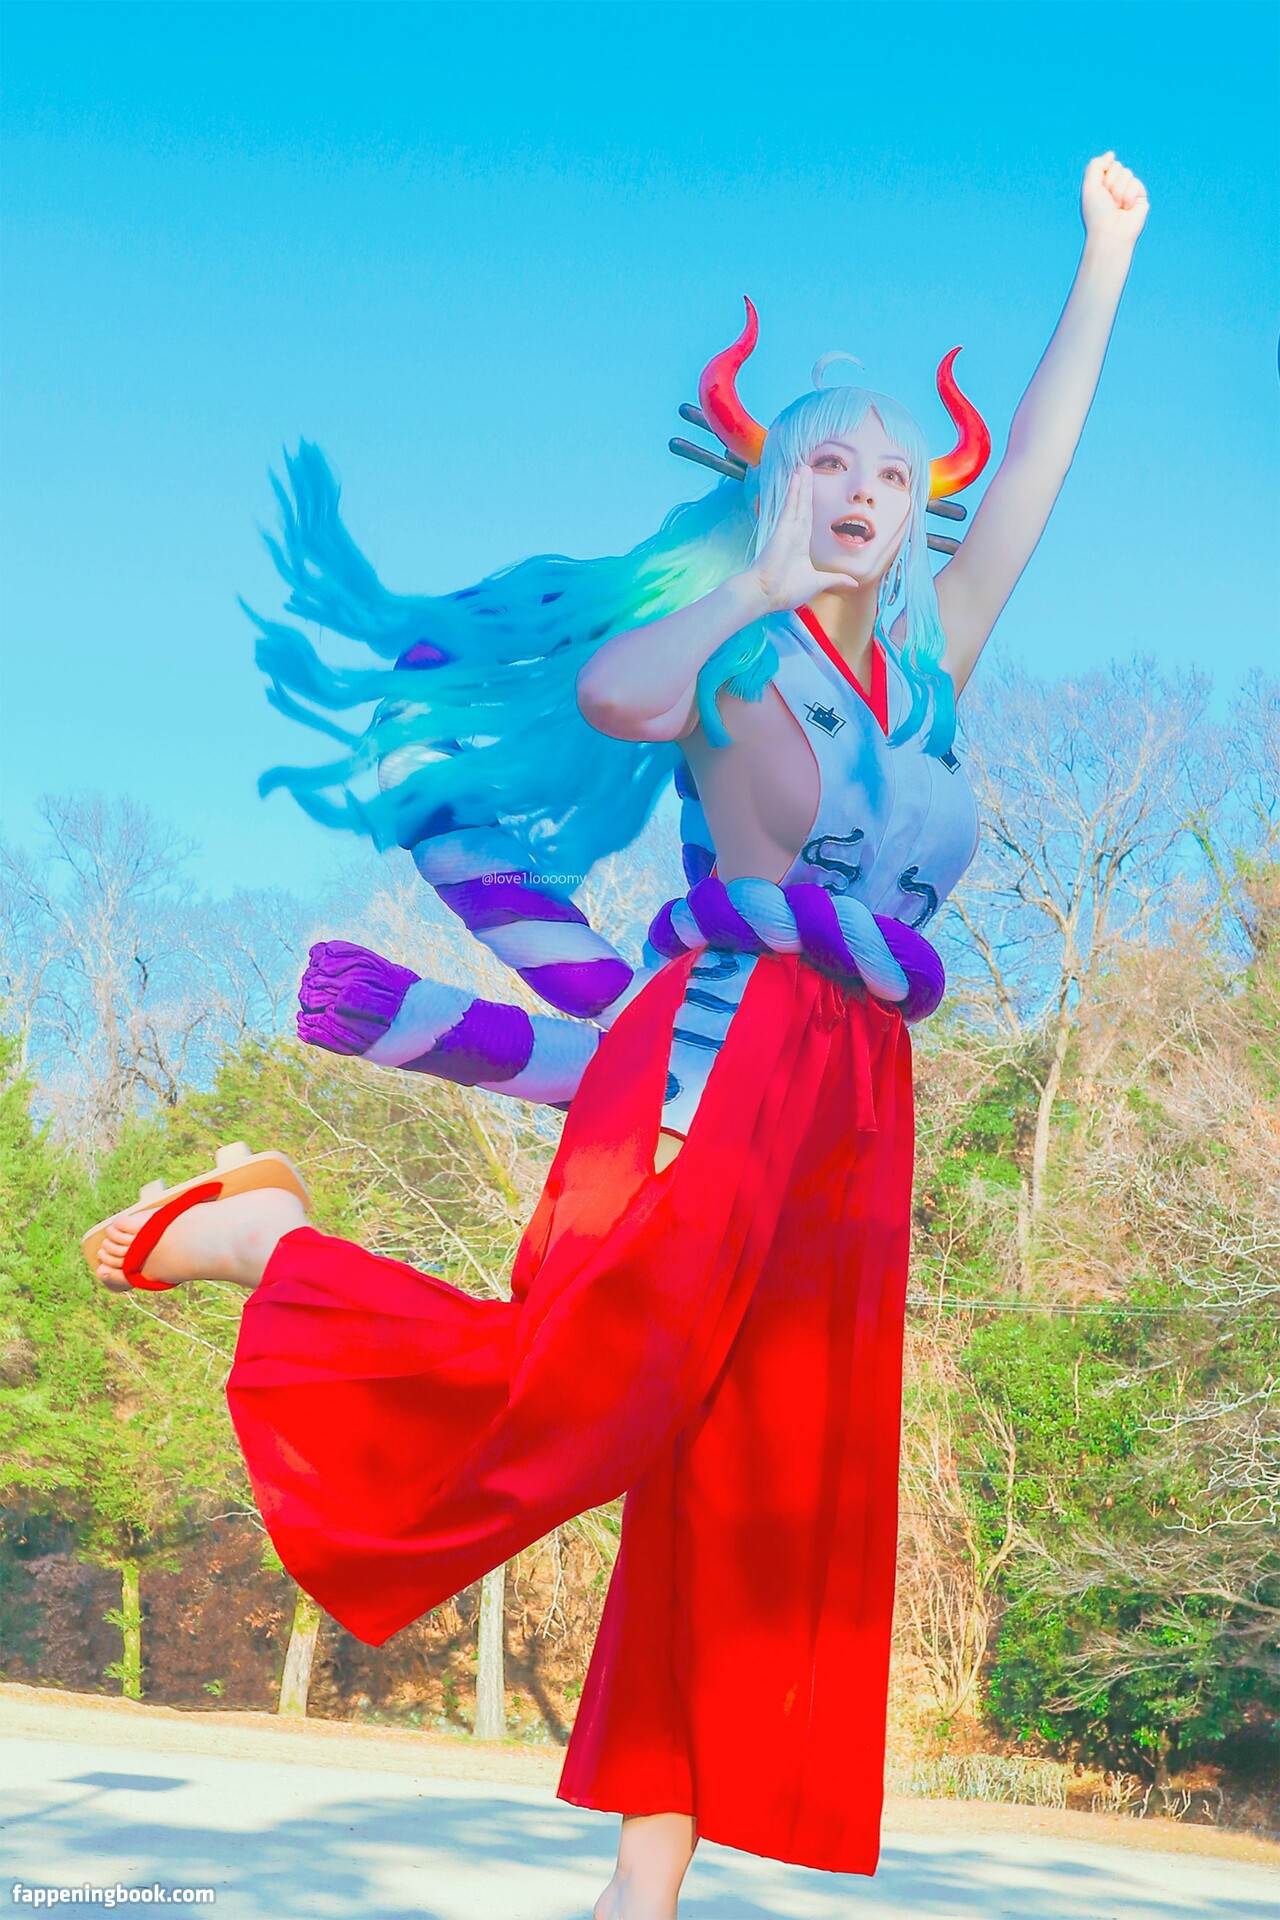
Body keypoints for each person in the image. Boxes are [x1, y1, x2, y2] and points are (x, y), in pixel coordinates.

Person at [88, 153, 1147, 1918]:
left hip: (857, 1100)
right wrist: (756, 579)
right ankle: (273, 1245)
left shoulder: (932, 676)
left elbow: (1029, 480)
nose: (867, 491)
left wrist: (1105, 259)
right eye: (829, 462)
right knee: (585, 1389)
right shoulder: (731, 652)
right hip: (714, 1068)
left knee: (757, 1469)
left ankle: (642, 1883)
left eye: (895, 472)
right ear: (775, 486)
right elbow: (615, 695)